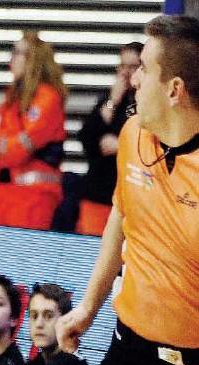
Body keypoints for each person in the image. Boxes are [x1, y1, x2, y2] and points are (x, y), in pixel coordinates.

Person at [43, 15, 199, 365]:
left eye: (144, 70)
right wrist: (88, 303)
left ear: (175, 89)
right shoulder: (135, 134)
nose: (132, 80)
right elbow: (120, 214)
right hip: (130, 357)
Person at [0, 31, 67, 230]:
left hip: (34, 196)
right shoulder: (12, 97)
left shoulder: (48, 98)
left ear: (32, 59)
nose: (11, 58)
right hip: (2, 191)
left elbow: (19, 150)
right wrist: (6, 144)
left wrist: (4, 144)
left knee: (21, 259)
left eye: (17, 52)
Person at [76, 42, 143, 236]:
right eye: (122, 66)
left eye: (132, 67)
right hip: (98, 195)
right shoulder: (110, 100)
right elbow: (87, 138)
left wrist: (120, 145)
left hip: (131, 199)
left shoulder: (147, 104)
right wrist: (113, 101)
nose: (125, 73)